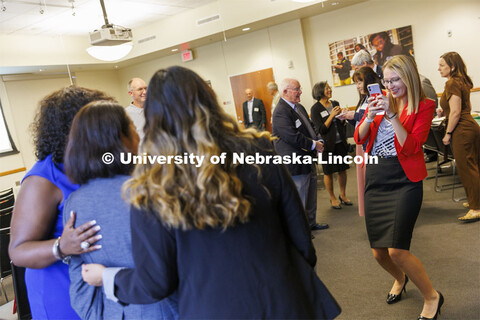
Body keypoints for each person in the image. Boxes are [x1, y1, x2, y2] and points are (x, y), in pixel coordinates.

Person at [81, 66, 341, 319]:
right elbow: (300, 235)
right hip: (284, 300)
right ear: (210, 101)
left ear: (154, 117)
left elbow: (155, 282)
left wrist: (106, 277)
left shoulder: (153, 184)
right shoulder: (259, 150)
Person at [63, 101, 177, 319]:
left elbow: (80, 276)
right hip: (162, 309)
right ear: (122, 138)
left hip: (111, 312)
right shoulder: (150, 191)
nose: (138, 135)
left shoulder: (74, 203)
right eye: (133, 128)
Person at [9, 86, 111, 320]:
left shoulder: (97, 163)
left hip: (98, 282)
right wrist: (62, 246)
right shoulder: (44, 178)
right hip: (60, 289)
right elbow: (18, 252)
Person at [354, 55, 442, 320]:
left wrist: (392, 116)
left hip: (405, 180)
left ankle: (432, 296)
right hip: (377, 178)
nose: (389, 86)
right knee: (379, 253)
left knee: (397, 250)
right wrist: (369, 116)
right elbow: (359, 137)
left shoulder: (424, 105)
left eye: (395, 80)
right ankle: (400, 279)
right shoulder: (380, 99)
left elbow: (413, 146)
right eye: (386, 80)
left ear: (408, 77)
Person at [272, 78, 329, 232]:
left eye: (299, 88)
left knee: (311, 195)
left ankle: (311, 224)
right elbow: (292, 136)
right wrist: (314, 144)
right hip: (295, 163)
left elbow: (311, 127)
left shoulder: (299, 107)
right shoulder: (280, 112)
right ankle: (301, 231)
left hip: (307, 159)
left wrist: (319, 140)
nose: (300, 92)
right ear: (285, 92)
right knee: (300, 198)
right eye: (296, 89)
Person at [438, 51, 480, 222]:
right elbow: (463, 107)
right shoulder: (463, 80)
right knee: (474, 166)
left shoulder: (452, 83)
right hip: (470, 125)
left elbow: (456, 112)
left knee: (467, 169)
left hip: (461, 129)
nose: (438, 69)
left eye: (442, 65)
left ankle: (476, 208)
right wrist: (444, 110)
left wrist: (448, 134)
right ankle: (475, 200)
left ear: (452, 66)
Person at [339, 67, 384, 216]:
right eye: (356, 83)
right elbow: (361, 123)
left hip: (373, 143)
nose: (358, 86)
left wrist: (355, 115)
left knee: (373, 179)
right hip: (362, 142)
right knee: (365, 180)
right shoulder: (364, 98)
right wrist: (349, 117)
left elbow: (374, 117)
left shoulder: (378, 96)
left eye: (360, 82)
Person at [310, 81, 351, 209]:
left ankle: (343, 195)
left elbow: (340, 124)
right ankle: (333, 198)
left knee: (342, 169)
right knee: (328, 172)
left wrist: (343, 118)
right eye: (327, 88)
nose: (330, 90)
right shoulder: (315, 109)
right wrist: (332, 115)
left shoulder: (335, 103)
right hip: (327, 146)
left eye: (329, 88)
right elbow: (321, 129)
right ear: (320, 91)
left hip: (340, 143)